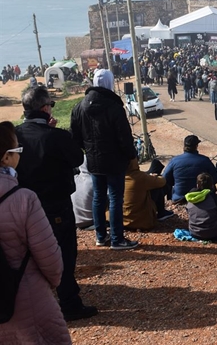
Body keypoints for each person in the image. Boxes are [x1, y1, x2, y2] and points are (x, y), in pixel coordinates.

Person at [15, 86, 98, 320]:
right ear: (45, 108)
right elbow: (77, 158)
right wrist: (56, 134)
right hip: (55, 205)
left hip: (21, 205)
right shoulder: (58, 137)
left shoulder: (14, 135)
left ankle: (34, 304)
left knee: (28, 256)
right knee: (62, 254)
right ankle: (70, 303)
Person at [0, 121, 72, 344]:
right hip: (25, 297)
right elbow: (50, 258)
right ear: (6, 157)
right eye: (17, 150)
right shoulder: (23, 198)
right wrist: (52, 283)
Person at [71, 68, 139, 251]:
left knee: (99, 198)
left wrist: (89, 149)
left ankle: (101, 236)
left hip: (93, 160)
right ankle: (117, 239)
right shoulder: (115, 107)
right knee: (116, 198)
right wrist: (131, 155)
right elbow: (125, 137)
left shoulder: (79, 107)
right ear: (109, 83)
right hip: (115, 161)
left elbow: (75, 137)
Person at [163, 135, 217, 204]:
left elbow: (165, 178)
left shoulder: (174, 160)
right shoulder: (205, 160)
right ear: (196, 146)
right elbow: (215, 178)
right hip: (202, 197)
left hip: (179, 198)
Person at [123, 157, 168, 230]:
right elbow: (162, 182)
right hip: (139, 221)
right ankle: (161, 213)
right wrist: (155, 177)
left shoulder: (117, 176)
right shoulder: (140, 177)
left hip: (120, 219)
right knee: (156, 186)